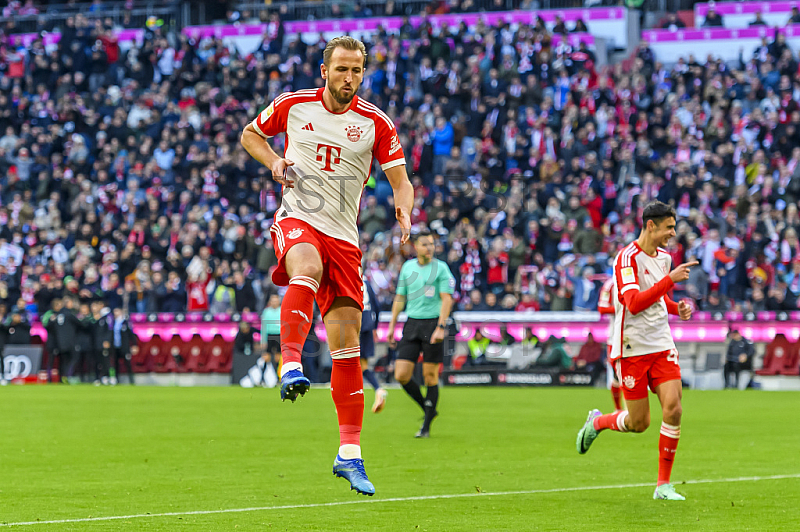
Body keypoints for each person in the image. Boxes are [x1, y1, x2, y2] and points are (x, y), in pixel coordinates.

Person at [240, 36, 413, 496]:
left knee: (347, 349)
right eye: (341, 70)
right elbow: (249, 134)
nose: (349, 78)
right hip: (298, 218)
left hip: (346, 240)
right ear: (325, 70)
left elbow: (401, 180)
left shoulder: (375, 122)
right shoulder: (294, 104)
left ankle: (349, 455)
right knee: (306, 267)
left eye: (356, 71)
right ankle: (290, 363)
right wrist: (275, 160)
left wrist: (405, 209)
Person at [576, 201, 696, 501]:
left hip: (661, 344)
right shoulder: (626, 258)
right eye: (669, 227)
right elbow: (633, 302)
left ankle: (663, 486)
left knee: (674, 408)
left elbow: (656, 300)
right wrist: (670, 281)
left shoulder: (665, 258)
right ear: (650, 225)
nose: (673, 233)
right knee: (638, 423)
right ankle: (599, 422)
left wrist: (676, 306)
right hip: (631, 348)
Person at [387, 230, 456, 438]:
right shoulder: (408, 268)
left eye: (432, 244)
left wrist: (441, 327)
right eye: (425, 244)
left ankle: (425, 427)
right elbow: (400, 298)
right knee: (401, 374)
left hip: (433, 323)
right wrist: (391, 325)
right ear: (415, 246)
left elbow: (447, 299)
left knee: (429, 376)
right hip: (412, 323)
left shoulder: (441, 268)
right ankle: (428, 409)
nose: (430, 248)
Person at [360, 275, 387, 413]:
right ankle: (378, 389)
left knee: (346, 363)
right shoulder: (366, 282)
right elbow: (377, 307)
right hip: (368, 327)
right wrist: (374, 327)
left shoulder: (347, 279)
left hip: (352, 326)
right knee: (363, 364)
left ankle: (348, 399)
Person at [597, 277, 623, 412]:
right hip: (615, 337)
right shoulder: (610, 284)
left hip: (637, 336)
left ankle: (634, 410)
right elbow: (602, 308)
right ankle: (618, 409)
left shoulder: (640, 279)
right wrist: (622, 309)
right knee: (617, 375)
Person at [260, 293, 282, 386]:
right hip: (269, 335)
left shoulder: (282, 311)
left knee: (278, 358)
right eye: (273, 300)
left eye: (276, 300)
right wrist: (263, 340)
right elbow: (263, 327)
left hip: (279, 335)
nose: (274, 302)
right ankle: (262, 378)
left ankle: (278, 379)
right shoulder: (266, 312)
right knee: (266, 357)